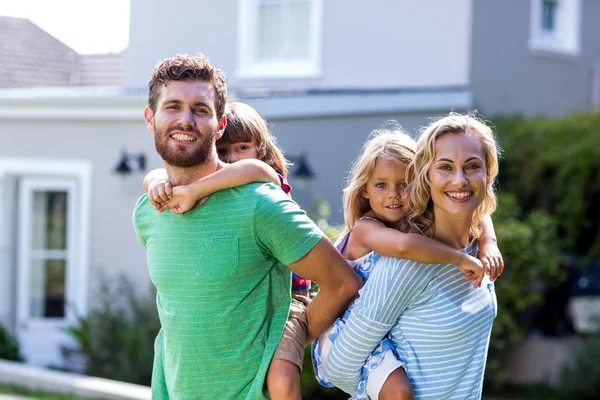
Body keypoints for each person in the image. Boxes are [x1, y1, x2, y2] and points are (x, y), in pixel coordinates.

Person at [132, 54, 362, 400]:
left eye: (200, 109)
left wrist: (278, 352)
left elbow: (343, 283)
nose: (185, 119)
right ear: (150, 118)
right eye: (173, 106)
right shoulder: (148, 212)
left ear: (220, 123)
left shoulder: (259, 204)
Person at [311, 124, 503, 400]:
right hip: (337, 330)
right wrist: (458, 258)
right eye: (446, 167)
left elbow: (481, 210)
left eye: (472, 166)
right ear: (428, 176)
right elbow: (339, 366)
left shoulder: (470, 243)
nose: (460, 180)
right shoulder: (400, 255)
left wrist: (488, 242)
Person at [143, 101, 314, 399]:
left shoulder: (264, 183)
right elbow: (151, 176)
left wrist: (196, 188)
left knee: (282, 381)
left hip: (288, 300)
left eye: (243, 147)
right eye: (223, 151)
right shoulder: (221, 196)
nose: (233, 159)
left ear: (260, 148)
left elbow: (254, 169)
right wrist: (156, 180)